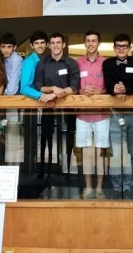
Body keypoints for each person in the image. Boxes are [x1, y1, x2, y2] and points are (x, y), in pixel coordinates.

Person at [103, 33, 133, 197]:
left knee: (132, 151)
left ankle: (129, 185)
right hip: (114, 113)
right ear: (114, 48)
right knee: (115, 151)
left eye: (124, 46)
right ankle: (116, 184)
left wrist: (125, 89)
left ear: (130, 48)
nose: (121, 48)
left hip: (132, 114)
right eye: (118, 46)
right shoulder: (107, 63)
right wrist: (116, 89)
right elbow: (108, 84)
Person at [35, 33, 80, 179]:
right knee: (45, 138)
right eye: (52, 43)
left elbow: (74, 87)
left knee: (69, 138)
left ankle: (67, 170)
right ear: (49, 45)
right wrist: (52, 88)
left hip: (67, 109)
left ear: (63, 45)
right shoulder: (42, 63)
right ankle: (44, 171)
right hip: (48, 108)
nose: (55, 45)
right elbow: (38, 85)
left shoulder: (71, 62)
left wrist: (54, 95)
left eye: (58, 42)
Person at [75, 31, 108, 199]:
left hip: (102, 115)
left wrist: (100, 91)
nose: (90, 43)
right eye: (88, 41)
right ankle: (88, 187)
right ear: (84, 43)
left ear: (98, 43)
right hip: (82, 115)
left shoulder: (106, 63)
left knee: (101, 152)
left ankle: (100, 188)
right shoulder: (77, 62)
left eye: (94, 40)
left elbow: (110, 88)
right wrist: (81, 90)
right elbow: (73, 86)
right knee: (86, 153)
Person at [20, 31, 51, 176]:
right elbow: (24, 87)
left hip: (43, 105)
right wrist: (42, 95)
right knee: (31, 141)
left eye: (42, 43)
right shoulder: (28, 62)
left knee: (43, 137)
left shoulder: (44, 60)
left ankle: (42, 171)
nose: (40, 46)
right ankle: (29, 172)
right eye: (37, 43)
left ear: (46, 44)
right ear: (32, 45)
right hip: (32, 105)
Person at [0, 33, 23, 164]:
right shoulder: (3, 60)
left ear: (15, 47)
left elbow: (12, 89)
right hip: (5, 103)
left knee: (13, 137)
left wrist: (0, 96)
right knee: (7, 136)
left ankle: (14, 168)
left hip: (13, 102)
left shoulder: (16, 60)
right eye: (4, 47)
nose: (6, 50)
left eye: (9, 47)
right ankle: (9, 166)